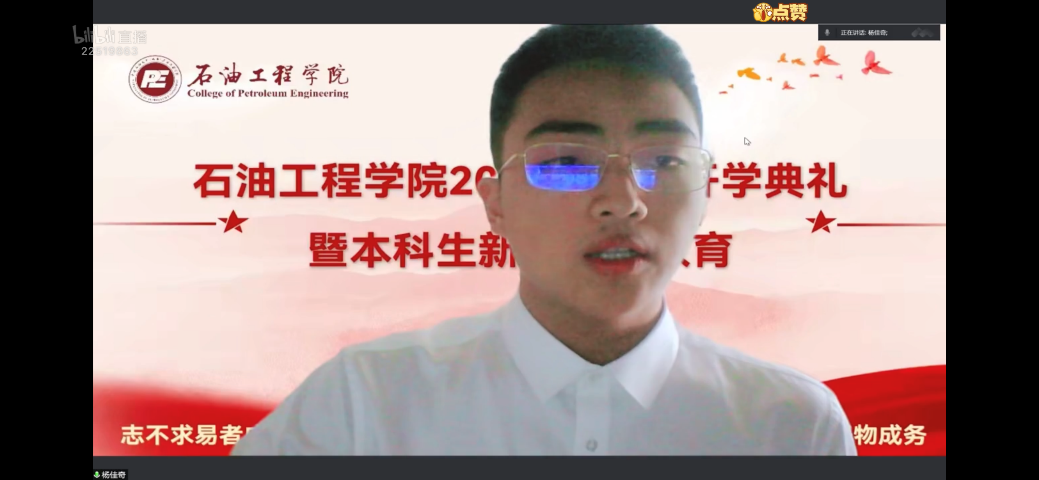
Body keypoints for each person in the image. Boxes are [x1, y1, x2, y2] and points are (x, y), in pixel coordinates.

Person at [232, 24, 857, 456]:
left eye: (664, 161)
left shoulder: (791, 425)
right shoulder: (366, 402)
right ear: (496, 202)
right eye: (565, 163)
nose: (623, 200)